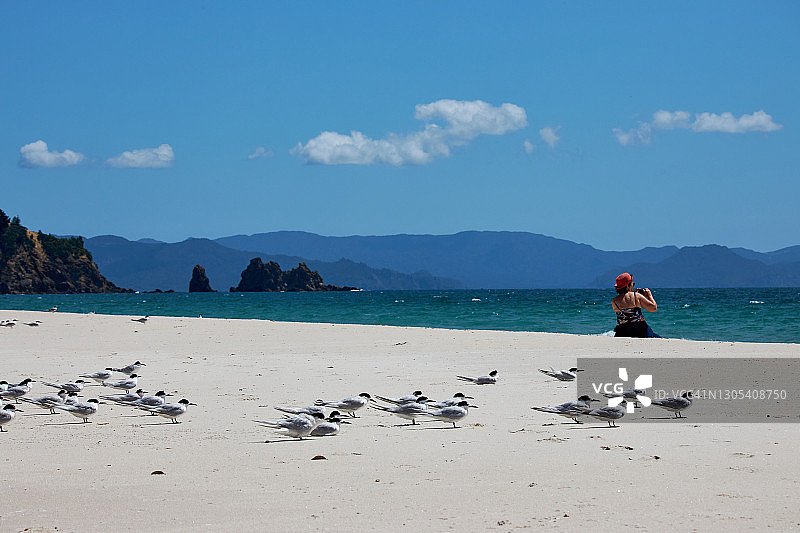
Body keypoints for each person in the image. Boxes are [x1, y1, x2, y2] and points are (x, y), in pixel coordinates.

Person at [611, 272, 661, 338]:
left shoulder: (614, 301)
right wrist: (649, 295)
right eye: (632, 284)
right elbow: (653, 308)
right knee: (658, 338)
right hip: (639, 330)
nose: (633, 286)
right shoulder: (636, 296)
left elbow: (626, 313)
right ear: (627, 286)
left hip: (622, 331)